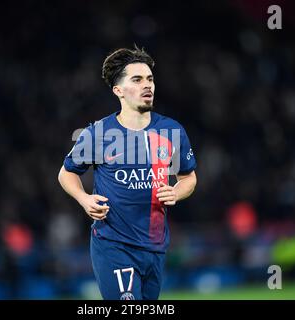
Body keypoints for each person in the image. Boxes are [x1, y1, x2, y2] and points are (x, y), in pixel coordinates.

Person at [58, 45, 197, 300]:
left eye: (150, 79)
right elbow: (66, 173)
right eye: (137, 79)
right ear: (118, 90)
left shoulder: (171, 131)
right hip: (113, 244)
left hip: (155, 246)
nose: (148, 85)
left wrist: (176, 192)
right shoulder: (99, 133)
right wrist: (84, 198)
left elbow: (188, 177)